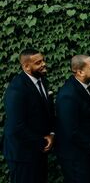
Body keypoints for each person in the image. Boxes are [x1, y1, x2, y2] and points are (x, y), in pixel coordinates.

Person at [3, 49, 55, 183]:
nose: (43, 64)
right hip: (22, 154)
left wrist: (51, 134)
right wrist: (42, 141)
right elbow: (17, 126)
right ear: (26, 66)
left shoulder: (42, 80)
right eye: (38, 63)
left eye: (43, 60)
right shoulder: (16, 89)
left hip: (38, 151)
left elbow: (47, 112)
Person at [55, 55, 90, 183]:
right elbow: (70, 130)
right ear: (80, 72)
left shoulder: (89, 85)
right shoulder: (68, 95)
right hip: (75, 156)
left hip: (87, 152)